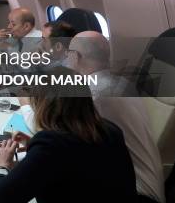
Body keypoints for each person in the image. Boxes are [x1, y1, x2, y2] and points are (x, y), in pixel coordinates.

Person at [0, 67, 138, 203]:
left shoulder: (52, 145)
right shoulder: (110, 130)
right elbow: (75, 164)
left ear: (43, 104)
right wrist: (33, 147)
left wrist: (1, 165)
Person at [67, 31, 165, 203]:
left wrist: (25, 106)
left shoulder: (93, 95)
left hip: (136, 193)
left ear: (75, 57)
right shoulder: (121, 83)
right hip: (149, 184)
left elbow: (58, 136)